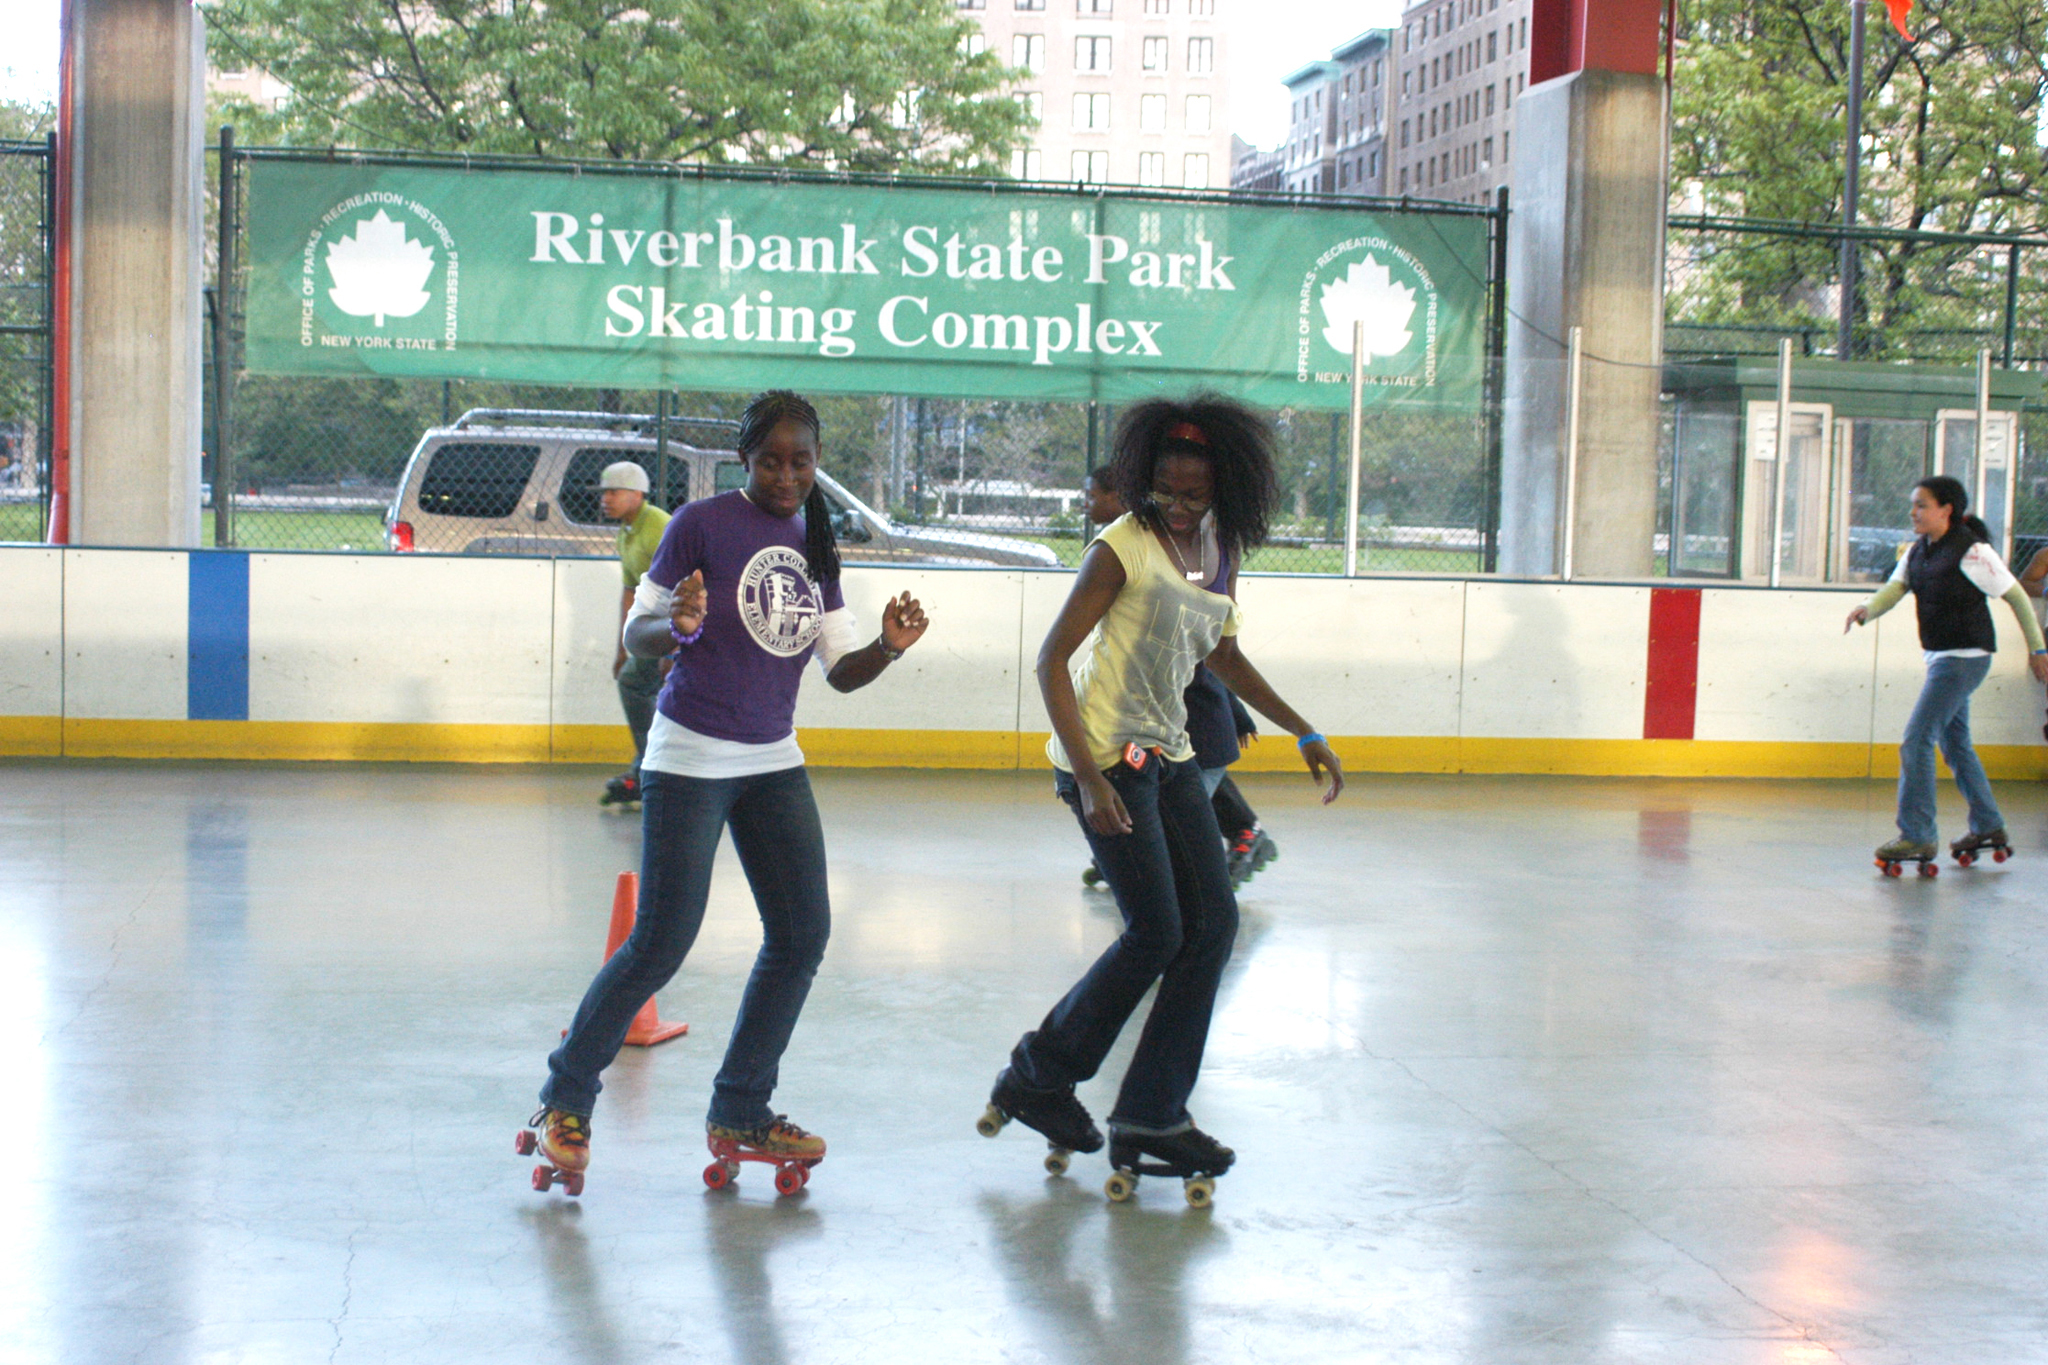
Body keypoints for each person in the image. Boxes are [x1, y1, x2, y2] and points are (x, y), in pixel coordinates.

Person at [525, 390, 930, 1190]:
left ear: (817, 463)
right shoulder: (699, 525)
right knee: (662, 939)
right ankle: (564, 1097)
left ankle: (741, 1105)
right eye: (772, 460)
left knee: (801, 933)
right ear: (745, 458)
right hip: (689, 756)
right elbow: (637, 634)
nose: (787, 475)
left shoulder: (816, 541)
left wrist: (888, 646)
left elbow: (841, 673)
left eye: (802, 461)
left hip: (772, 756)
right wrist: (675, 620)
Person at [982, 396, 1342, 1197]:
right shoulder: (1121, 545)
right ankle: (1039, 1075)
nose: (1179, 506)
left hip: (1170, 752)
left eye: (1195, 492)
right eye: (1166, 491)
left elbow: (1223, 653)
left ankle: (1150, 1112)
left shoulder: (1221, 543)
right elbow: (1050, 663)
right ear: (1146, 480)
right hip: (1104, 754)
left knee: (1211, 926)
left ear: (1224, 487)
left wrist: (1303, 729)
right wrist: (1089, 778)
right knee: (1156, 932)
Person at [1079, 466, 1278, 891]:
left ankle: (1239, 836)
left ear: (1119, 495)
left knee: (1181, 808)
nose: (1087, 503)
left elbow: (1213, 656)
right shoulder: (1130, 548)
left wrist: (1240, 713)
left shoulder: (1183, 554)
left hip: (1197, 724)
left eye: (1093, 495)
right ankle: (1132, 854)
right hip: (1164, 726)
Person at [1844, 475, 2048, 867]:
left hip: (1965, 657)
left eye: (1921, 504)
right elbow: (1896, 587)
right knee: (1955, 744)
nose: (1913, 512)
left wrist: (2038, 648)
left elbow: (2018, 597)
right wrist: (1867, 610)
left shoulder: (1972, 552)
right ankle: (1988, 824)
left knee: (1916, 740)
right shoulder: (1919, 550)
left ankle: (1916, 835)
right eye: (1913, 504)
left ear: (1946, 510)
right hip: (1940, 656)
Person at [597, 461, 671, 810]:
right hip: (652, 628)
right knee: (639, 685)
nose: (606, 499)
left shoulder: (658, 526)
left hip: (676, 626)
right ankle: (648, 769)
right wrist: (622, 648)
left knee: (634, 685)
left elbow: (686, 583)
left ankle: (652, 769)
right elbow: (630, 593)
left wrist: (672, 651)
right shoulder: (626, 532)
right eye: (604, 492)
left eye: (614, 492)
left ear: (637, 494)